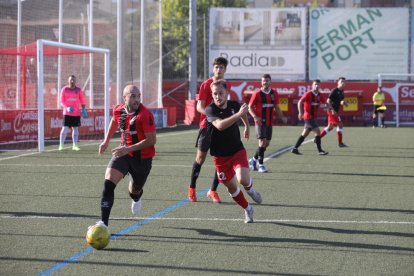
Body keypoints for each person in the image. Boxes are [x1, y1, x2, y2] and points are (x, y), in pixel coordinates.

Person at [96, 85, 156, 227]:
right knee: (108, 183)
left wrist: (129, 148)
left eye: (138, 96)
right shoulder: (119, 110)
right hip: (123, 154)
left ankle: (137, 197)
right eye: (133, 96)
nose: (137, 99)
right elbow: (114, 121)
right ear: (124, 98)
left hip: (142, 159)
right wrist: (106, 141)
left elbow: (152, 140)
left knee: (134, 191)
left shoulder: (145, 115)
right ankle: (103, 224)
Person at [205, 79, 262, 223]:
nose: (218, 96)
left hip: (237, 150)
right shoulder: (210, 109)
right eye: (215, 94)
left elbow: (242, 113)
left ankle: (250, 189)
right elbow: (220, 125)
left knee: (242, 179)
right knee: (232, 189)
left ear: (227, 93)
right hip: (219, 157)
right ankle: (248, 209)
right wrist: (238, 115)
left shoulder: (233, 105)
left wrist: (247, 127)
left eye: (221, 93)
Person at [188, 57, 228, 203]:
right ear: (213, 69)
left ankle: (213, 190)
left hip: (221, 127)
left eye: (222, 67)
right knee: (200, 158)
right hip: (207, 126)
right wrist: (212, 116)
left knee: (221, 160)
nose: (219, 69)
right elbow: (199, 106)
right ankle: (192, 188)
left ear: (225, 70)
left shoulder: (225, 85)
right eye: (216, 67)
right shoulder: (206, 85)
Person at [248, 74, 287, 173]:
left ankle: (253, 159)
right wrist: (255, 117)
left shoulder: (274, 93)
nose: (265, 82)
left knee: (266, 144)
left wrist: (282, 117)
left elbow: (277, 107)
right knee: (262, 142)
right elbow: (250, 107)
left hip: (269, 122)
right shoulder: (257, 93)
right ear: (261, 82)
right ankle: (260, 165)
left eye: (267, 80)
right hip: (260, 122)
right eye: (264, 81)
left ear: (270, 82)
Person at [291, 79, 328, 155]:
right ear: (312, 86)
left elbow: (325, 103)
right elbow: (300, 102)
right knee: (318, 131)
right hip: (308, 116)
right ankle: (320, 150)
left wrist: (329, 107)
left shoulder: (320, 95)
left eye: (318, 84)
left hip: (313, 117)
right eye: (315, 84)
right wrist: (300, 112)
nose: (317, 86)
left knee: (305, 134)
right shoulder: (308, 94)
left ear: (320, 86)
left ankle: (295, 148)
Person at [58, 75, 88, 151]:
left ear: (75, 81)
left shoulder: (78, 90)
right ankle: (61, 145)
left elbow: (82, 100)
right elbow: (61, 101)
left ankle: (75, 145)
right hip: (67, 113)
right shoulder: (64, 89)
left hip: (76, 113)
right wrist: (66, 107)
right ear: (68, 81)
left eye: (73, 80)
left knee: (75, 129)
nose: (72, 81)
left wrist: (84, 108)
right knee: (64, 129)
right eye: (71, 80)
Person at [320, 77, 349, 147]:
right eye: (341, 81)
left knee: (330, 127)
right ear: (338, 82)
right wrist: (332, 110)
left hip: (334, 111)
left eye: (344, 82)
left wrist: (344, 103)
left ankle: (317, 138)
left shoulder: (342, 91)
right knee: (340, 125)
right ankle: (340, 143)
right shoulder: (334, 90)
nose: (343, 83)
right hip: (332, 111)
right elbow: (328, 101)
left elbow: (341, 101)